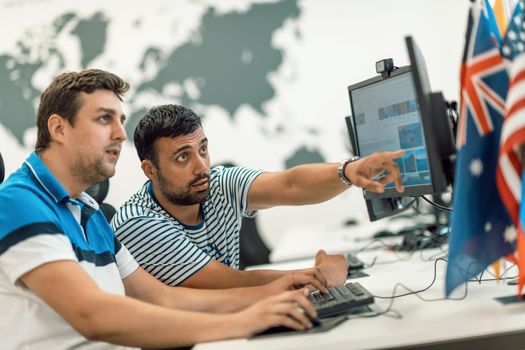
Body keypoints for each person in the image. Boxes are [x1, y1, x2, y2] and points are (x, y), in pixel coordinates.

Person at [0, 70, 319, 349]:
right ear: (59, 128)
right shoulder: (17, 203)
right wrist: (241, 322)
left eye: (120, 121)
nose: (121, 134)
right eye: (104, 119)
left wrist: (271, 295)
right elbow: (93, 315)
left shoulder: (88, 210)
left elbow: (162, 298)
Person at [111, 104, 404, 290]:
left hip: (233, 323)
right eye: (183, 157)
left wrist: (349, 171)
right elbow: (228, 283)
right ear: (150, 170)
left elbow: (290, 185)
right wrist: (315, 276)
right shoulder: (138, 223)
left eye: (203, 149)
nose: (201, 166)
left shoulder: (218, 184)